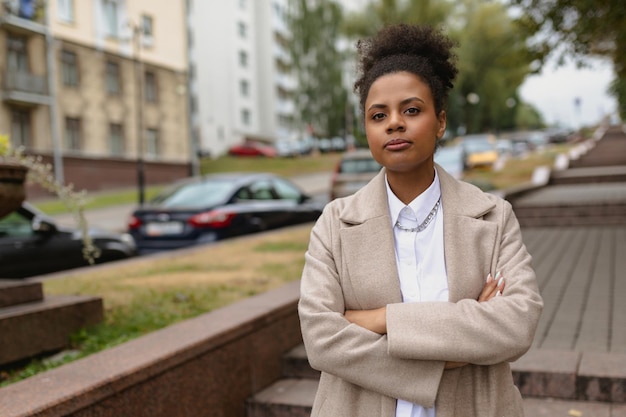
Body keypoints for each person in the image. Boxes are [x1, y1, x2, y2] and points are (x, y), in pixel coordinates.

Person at [298, 23, 543, 417]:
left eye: (411, 110)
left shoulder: (493, 217)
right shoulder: (335, 224)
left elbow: (516, 323)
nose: (394, 123)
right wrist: (453, 354)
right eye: (378, 115)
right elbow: (321, 338)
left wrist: (380, 319)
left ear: (440, 121)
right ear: (367, 129)